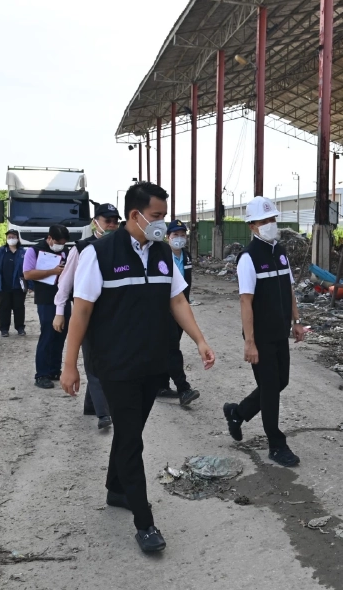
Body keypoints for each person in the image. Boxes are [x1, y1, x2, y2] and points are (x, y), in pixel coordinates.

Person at [60, 182, 215, 554]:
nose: (162, 223)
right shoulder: (99, 254)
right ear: (136, 216)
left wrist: (200, 339)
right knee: (132, 438)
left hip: (152, 362)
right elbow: (80, 311)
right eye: (157, 216)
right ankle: (144, 523)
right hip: (115, 365)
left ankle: (117, 489)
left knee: (130, 431)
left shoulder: (162, 252)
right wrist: (69, 365)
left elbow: (176, 299)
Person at [222, 197, 306, 468]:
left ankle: (238, 413)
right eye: (265, 221)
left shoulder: (279, 251)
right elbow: (245, 301)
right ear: (252, 226)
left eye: (273, 219)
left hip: (280, 331)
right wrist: (250, 342)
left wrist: (296, 321)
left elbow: (290, 288)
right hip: (260, 336)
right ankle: (276, 444)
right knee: (271, 388)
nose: (271, 224)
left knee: (281, 382)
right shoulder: (248, 258)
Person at [53, 203, 121, 430]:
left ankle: (92, 404)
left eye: (114, 221)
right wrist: (59, 312)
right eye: (106, 220)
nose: (111, 225)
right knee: (94, 362)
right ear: (95, 222)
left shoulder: (120, 248)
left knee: (107, 360)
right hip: (87, 315)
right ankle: (104, 414)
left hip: (114, 316)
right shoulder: (81, 249)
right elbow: (65, 283)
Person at [155, 219, 200, 406]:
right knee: (172, 348)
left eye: (183, 235)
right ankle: (183, 388)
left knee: (168, 348)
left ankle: (161, 385)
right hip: (164, 310)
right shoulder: (161, 256)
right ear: (168, 237)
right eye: (175, 235)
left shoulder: (186, 257)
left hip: (181, 309)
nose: (179, 239)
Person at [22, 225, 70, 389]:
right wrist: (53, 271)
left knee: (61, 335)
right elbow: (28, 274)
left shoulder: (66, 251)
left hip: (64, 298)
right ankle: (41, 374)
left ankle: (54, 370)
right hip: (46, 299)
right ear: (49, 238)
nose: (60, 245)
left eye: (63, 243)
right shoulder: (34, 251)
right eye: (58, 242)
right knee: (48, 334)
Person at [0, 228, 27, 337]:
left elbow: (28, 269)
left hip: (18, 286)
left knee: (19, 307)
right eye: (9, 237)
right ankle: (4, 329)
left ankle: (20, 328)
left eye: (13, 237)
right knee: (4, 307)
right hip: (3, 285)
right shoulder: (1, 252)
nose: (11, 239)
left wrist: (31, 285)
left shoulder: (23, 252)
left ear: (18, 239)